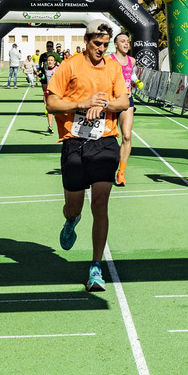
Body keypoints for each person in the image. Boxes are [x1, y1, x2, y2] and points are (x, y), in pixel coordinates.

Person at [45, 19, 130, 292]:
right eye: (97, 44)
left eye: (106, 45)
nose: (101, 49)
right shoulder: (69, 66)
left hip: (105, 142)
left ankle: (96, 267)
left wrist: (103, 104)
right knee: (75, 206)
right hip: (74, 142)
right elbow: (52, 102)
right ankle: (71, 220)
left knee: (101, 204)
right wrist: (82, 104)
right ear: (86, 40)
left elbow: (124, 101)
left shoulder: (114, 67)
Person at [109, 32, 138, 186]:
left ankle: (121, 172)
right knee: (106, 137)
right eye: (123, 41)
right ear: (115, 44)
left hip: (127, 100)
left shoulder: (132, 61)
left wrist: (136, 82)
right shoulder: (108, 60)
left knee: (126, 136)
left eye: (128, 41)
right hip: (111, 101)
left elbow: (131, 77)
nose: (126, 44)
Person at [39, 53, 59, 133]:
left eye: (51, 60)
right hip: (48, 92)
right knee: (49, 110)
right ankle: (50, 126)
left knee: (58, 111)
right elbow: (43, 79)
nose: (50, 62)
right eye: (48, 60)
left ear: (54, 62)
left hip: (57, 92)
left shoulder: (58, 69)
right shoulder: (46, 70)